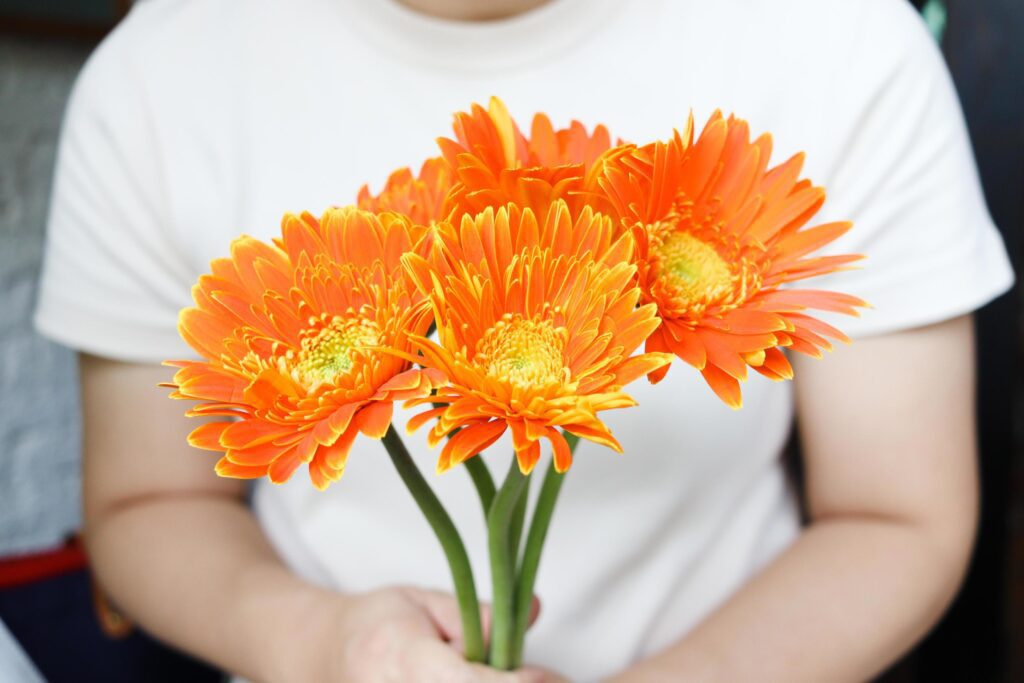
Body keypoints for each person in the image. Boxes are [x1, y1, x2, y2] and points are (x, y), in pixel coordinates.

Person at [34, 0, 1013, 681]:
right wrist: (326, 648)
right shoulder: (155, 80)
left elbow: (897, 513)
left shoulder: (843, 41)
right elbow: (146, 498)